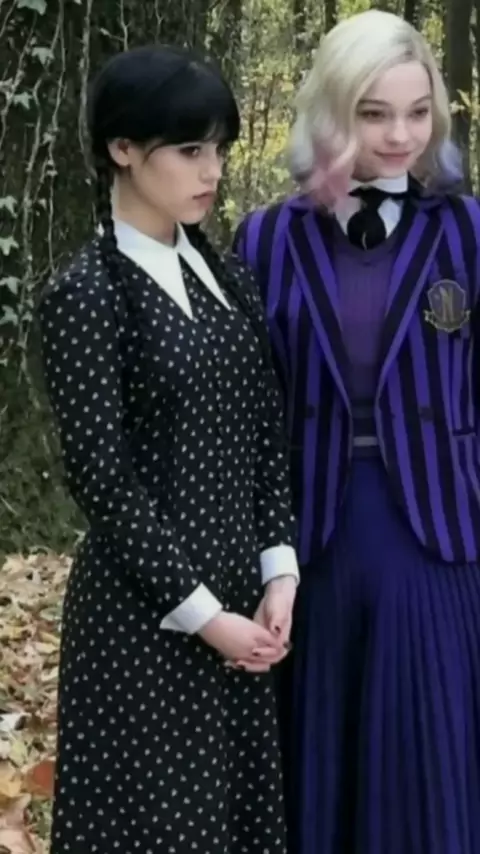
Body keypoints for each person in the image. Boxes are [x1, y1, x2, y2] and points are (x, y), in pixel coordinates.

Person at [38, 44, 299, 854]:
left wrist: (279, 569)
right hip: (143, 623)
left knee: (237, 825)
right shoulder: (86, 295)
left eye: (218, 148)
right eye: (190, 149)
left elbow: (265, 431)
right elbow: (102, 480)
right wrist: (204, 616)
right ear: (123, 148)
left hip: (244, 610)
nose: (211, 170)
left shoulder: (230, 277)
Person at [233, 10, 480, 854]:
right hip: (311, 541)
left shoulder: (467, 231)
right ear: (332, 112)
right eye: (375, 114)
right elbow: (252, 406)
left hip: (439, 536)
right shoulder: (266, 239)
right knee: (320, 764)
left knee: (430, 768)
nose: (401, 135)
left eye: (418, 112)